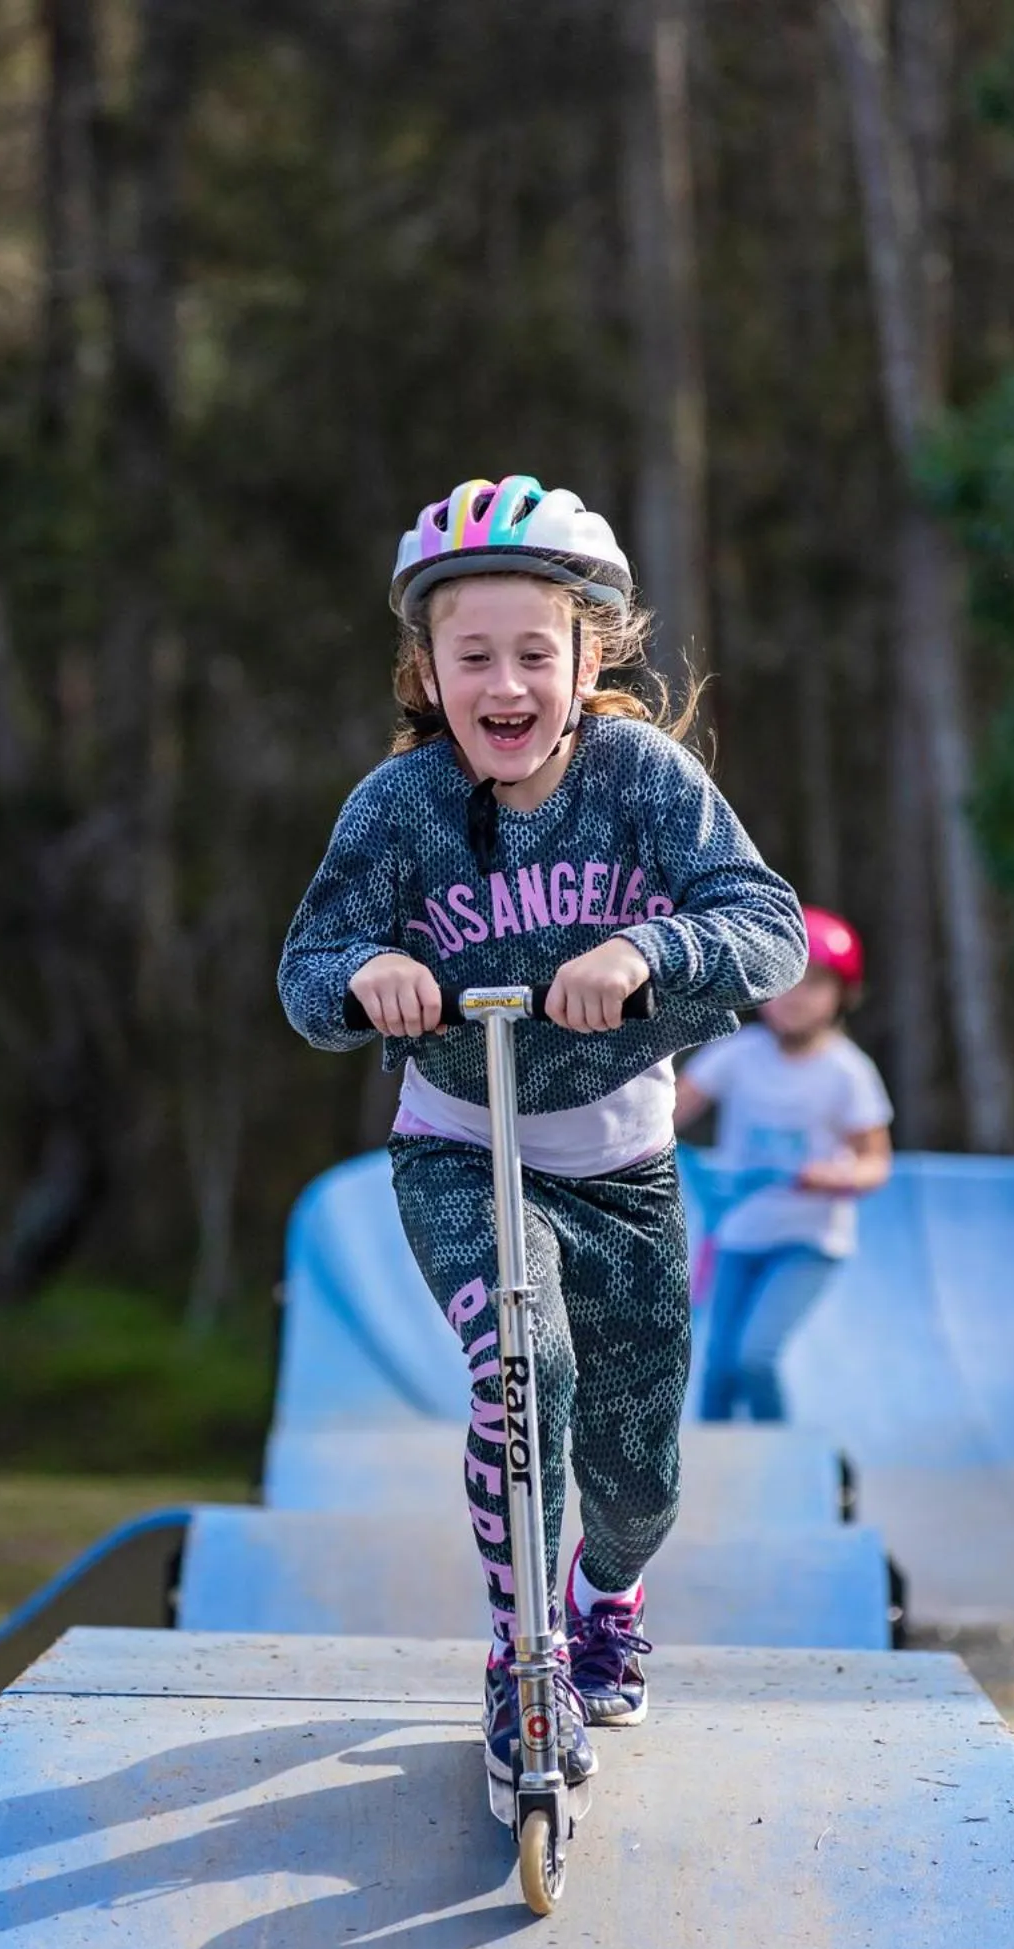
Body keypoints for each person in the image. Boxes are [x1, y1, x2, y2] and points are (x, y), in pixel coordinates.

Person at [278, 474, 807, 1787]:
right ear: (426, 669)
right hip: (461, 1147)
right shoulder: (396, 809)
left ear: (587, 656)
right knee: (523, 1367)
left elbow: (769, 932)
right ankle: (525, 1669)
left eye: (533, 651)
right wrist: (363, 981)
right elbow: (306, 972)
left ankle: (606, 1602)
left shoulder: (641, 781)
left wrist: (645, 948)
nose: (503, 684)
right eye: (473, 658)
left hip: (622, 1168)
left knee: (638, 1478)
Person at [674, 906, 894, 1423]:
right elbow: (668, 1113)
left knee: (756, 1357)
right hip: (738, 1234)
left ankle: (775, 1458)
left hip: (807, 1243)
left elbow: (874, 1164)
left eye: (814, 984)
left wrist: (831, 1178)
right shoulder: (738, 1053)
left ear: (843, 995)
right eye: (785, 981)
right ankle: (712, 1478)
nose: (795, 998)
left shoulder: (847, 1072)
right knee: (718, 1368)